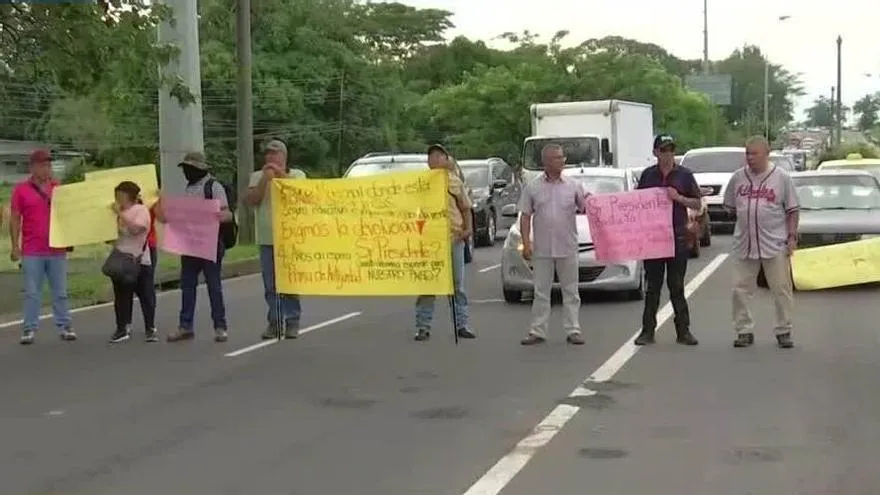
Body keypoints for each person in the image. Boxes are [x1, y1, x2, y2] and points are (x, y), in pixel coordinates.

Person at [723, 136, 799, 349]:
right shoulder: (738, 178)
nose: (750, 158)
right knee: (739, 289)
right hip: (745, 242)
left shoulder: (781, 177)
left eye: (754, 153)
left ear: (766, 153)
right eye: (747, 153)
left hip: (774, 241)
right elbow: (729, 206)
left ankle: (784, 330)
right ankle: (744, 330)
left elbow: (792, 209)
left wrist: (792, 237)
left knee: (781, 288)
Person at [633, 134, 701, 346]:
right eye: (663, 150)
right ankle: (647, 331)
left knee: (677, 286)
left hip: (677, 237)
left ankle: (684, 331)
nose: (668, 154)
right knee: (652, 287)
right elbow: (636, 203)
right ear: (655, 153)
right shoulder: (648, 175)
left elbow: (697, 203)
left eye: (671, 149)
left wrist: (678, 198)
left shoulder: (684, 175)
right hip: (654, 239)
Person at [158, 151, 233, 343]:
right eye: (185, 169)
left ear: (200, 169)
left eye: (190, 168)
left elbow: (227, 215)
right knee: (187, 286)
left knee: (213, 286)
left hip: (210, 244)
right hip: (190, 245)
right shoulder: (188, 188)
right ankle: (185, 326)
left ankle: (220, 326)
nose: (186, 172)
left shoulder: (213, 187)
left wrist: (208, 215)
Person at [519, 143, 586, 346]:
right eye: (557, 158)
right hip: (543, 247)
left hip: (567, 245)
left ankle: (573, 329)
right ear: (546, 161)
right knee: (541, 291)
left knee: (571, 291)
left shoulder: (574, 185)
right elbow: (525, 216)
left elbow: (587, 207)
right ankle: (537, 330)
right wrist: (525, 242)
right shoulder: (533, 187)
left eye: (562, 157)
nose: (562, 161)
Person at [9, 149, 75, 345]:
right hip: (32, 249)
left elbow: (69, 215)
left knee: (60, 291)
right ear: (32, 167)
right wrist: (15, 245)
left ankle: (65, 325)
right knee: (32, 291)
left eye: (48, 165)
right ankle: (29, 328)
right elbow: (14, 218)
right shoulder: (21, 190)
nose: (46, 168)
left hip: (56, 248)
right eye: (42, 165)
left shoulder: (58, 188)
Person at [245, 139, 307, 340]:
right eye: (267, 154)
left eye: (274, 153)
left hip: (289, 238)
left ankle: (292, 321)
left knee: (288, 282)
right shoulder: (257, 176)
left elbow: (300, 195)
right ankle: (274, 321)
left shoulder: (297, 175)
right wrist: (265, 179)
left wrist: (279, 174)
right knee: (270, 284)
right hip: (266, 238)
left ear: (284, 156)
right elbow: (252, 200)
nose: (270, 157)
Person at [414, 144, 475, 341]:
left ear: (446, 159)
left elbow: (465, 208)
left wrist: (466, 230)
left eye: (439, 156)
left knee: (457, 284)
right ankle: (423, 326)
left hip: (453, 238)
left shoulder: (454, 182)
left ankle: (462, 325)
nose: (435, 159)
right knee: (429, 285)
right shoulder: (421, 184)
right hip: (431, 242)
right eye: (431, 156)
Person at [108, 181, 157, 343]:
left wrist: (121, 215)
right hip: (121, 258)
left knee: (145, 295)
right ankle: (122, 327)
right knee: (121, 294)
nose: (117, 199)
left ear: (129, 196)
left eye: (120, 196)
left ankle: (150, 327)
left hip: (139, 260)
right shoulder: (117, 212)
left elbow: (137, 230)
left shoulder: (141, 210)